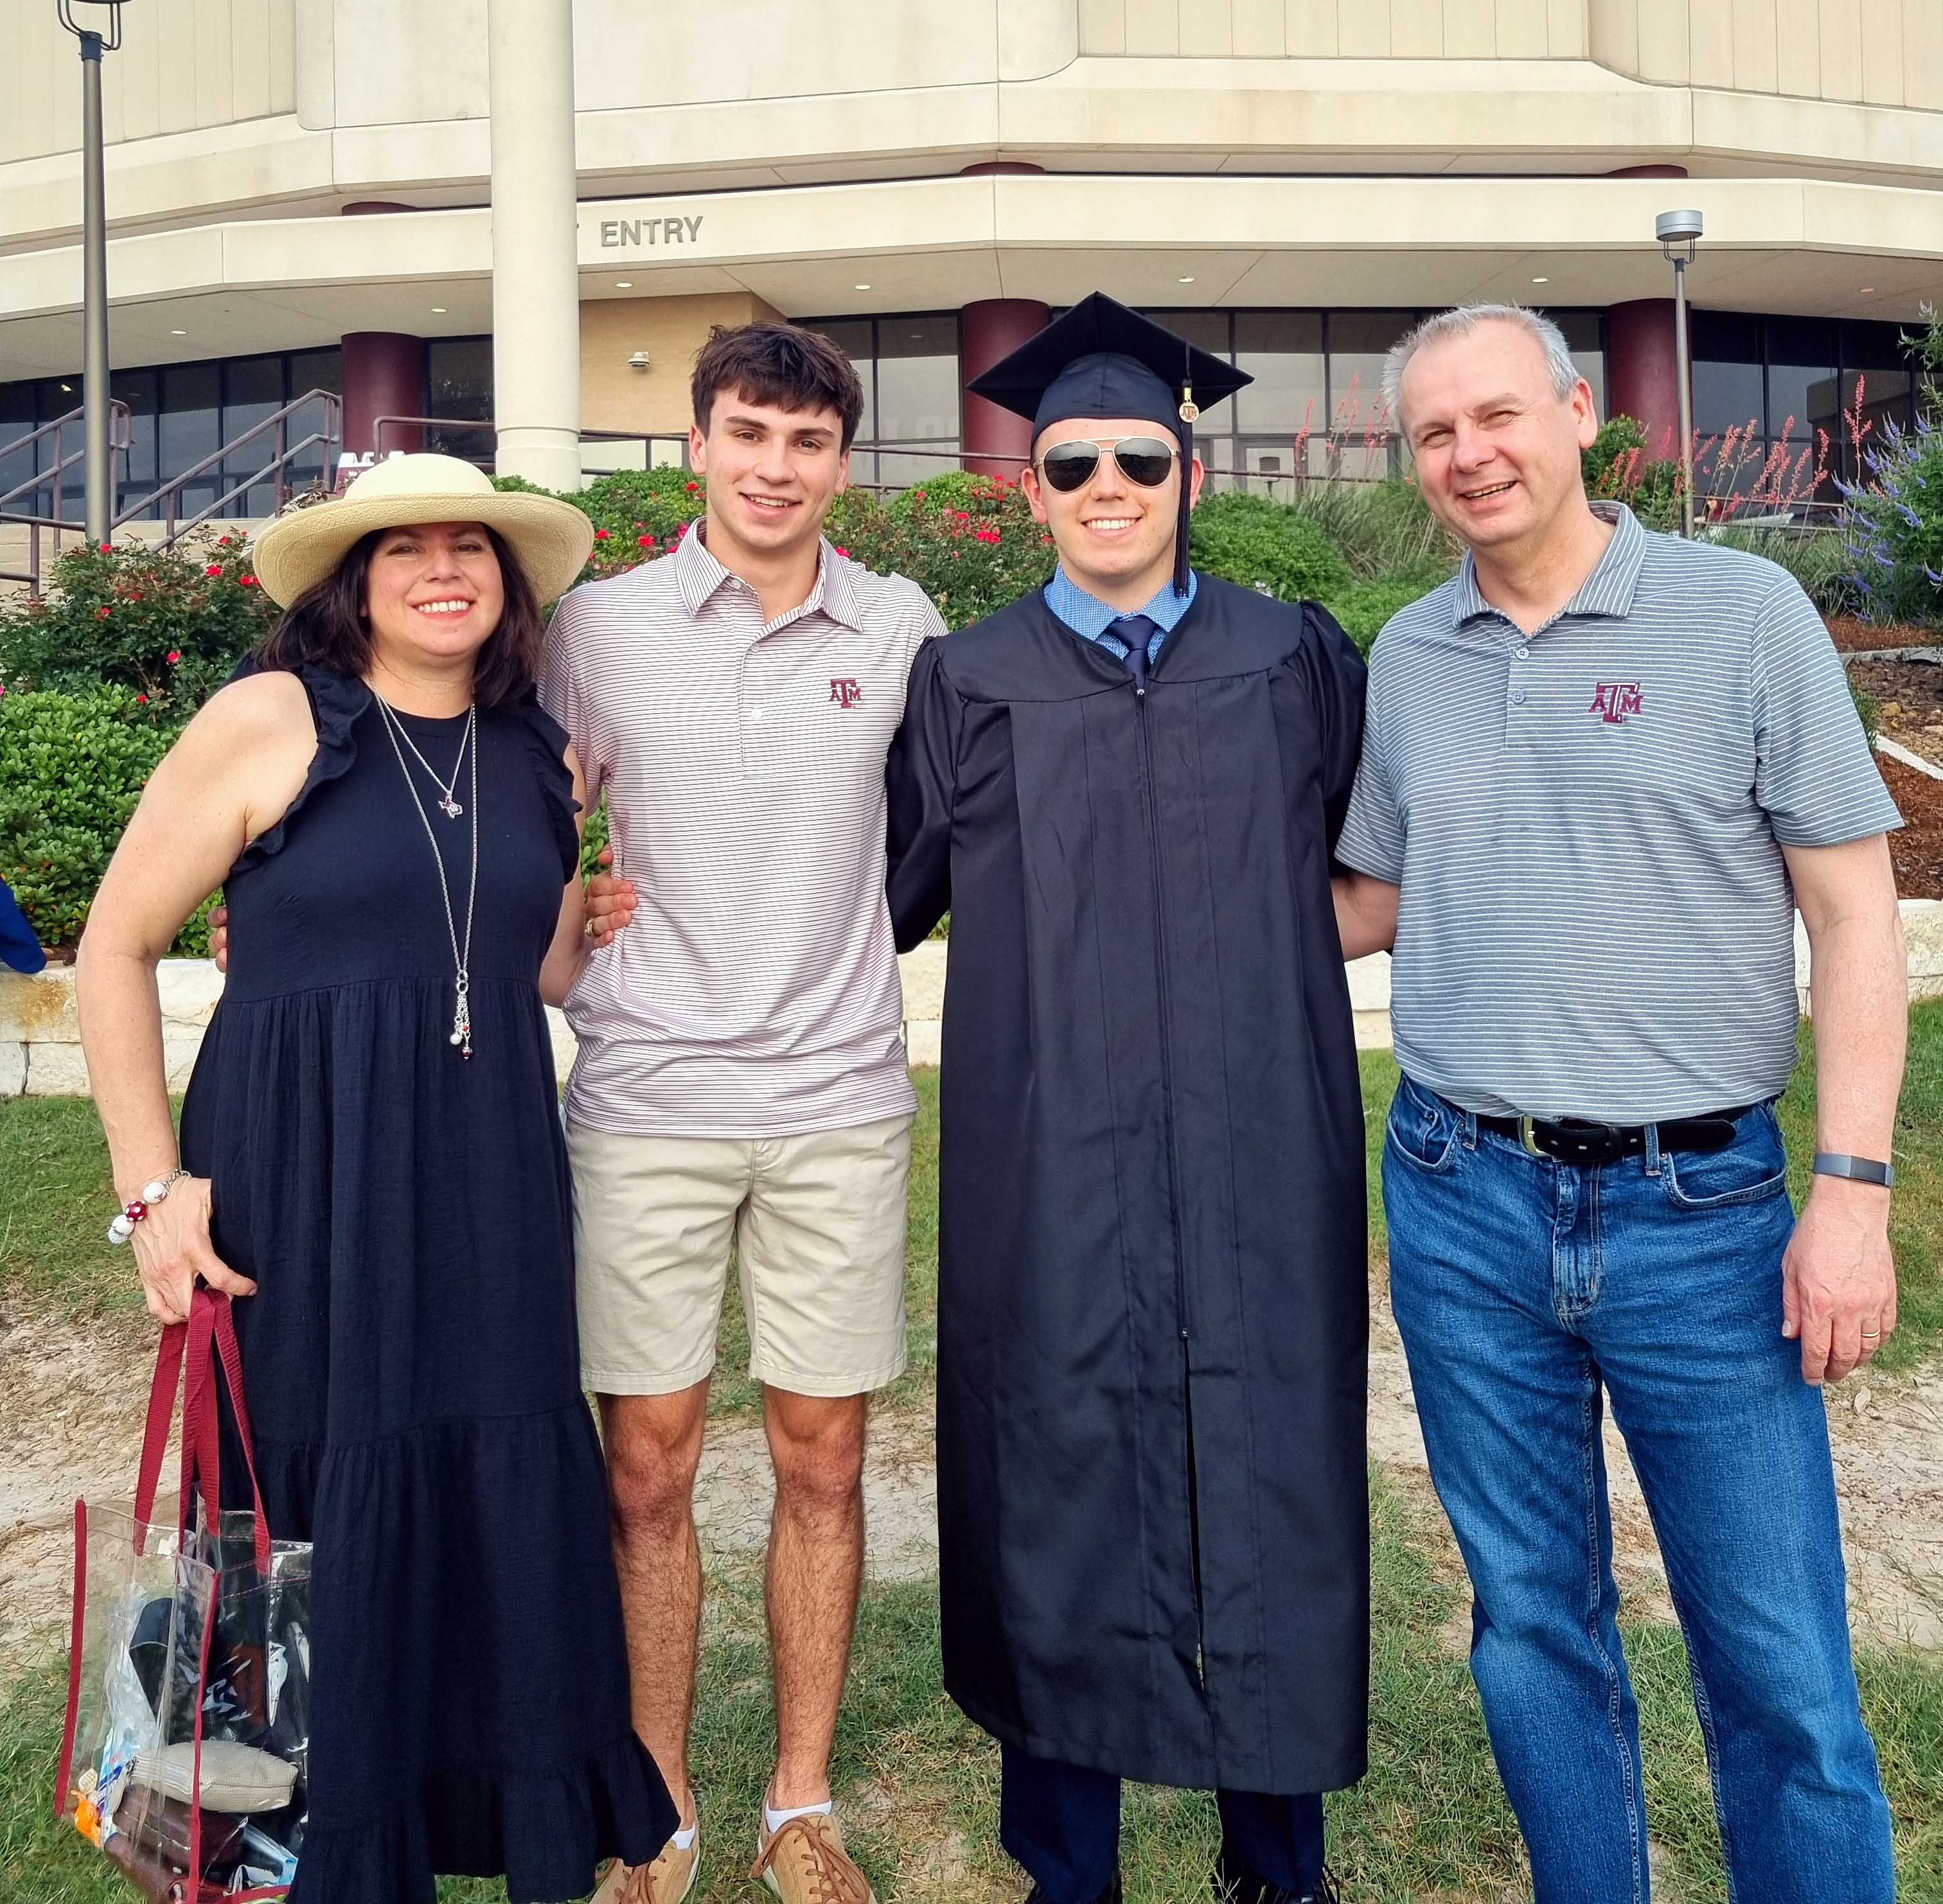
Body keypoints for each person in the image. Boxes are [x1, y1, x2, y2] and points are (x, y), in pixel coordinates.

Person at [1330, 303, 1906, 1904]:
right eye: (1438, 432)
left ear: (1583, 415)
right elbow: (1366, 899)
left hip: (1700, 1217)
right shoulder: (1409, 655)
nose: (1471, 455)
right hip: (1461, 1203)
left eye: (1500, 416)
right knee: (1532, 1625)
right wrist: (1133, 887)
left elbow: (1857, 917)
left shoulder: (1744, 613)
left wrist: (1851, 1193)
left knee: (1777, 1660)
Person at [77, 451, 677, 1904]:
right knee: (298, 1502)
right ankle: (277, 1839)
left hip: (483, 1173)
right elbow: (112, 946)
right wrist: (156, 1191)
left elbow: (498, 969)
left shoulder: (540, 753)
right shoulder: (270, 718)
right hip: (302, 1165)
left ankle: (461, 1808)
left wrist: (576, 937)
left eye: (468, 546)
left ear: (508, 580)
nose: (440, 570)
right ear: (356, 582)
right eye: (402, 549)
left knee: (488, 1475)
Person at [883, 294, 1366, 1904]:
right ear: (1031, 487)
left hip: (1261, 1144)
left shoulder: (1292, 656)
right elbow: (880, 899)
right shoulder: (970, 678)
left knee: (1273, 1460)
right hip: (1050, 1155)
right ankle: (1066, 1864)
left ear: (1188, 475)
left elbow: (1369, 866)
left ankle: (1274, 1860)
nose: (1108, 485)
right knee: (1059, 1466)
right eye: (1072, 460)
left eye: (1138, 460)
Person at [551, 322, 945, 1904]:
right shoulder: (595, 627)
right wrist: (573, 904)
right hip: (645, 1099)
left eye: (806, 442)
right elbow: (500, 796)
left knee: (825, 1462)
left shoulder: (903, 624)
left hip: (842, 1100)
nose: (775, 468)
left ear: (841, 460)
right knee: (643, 1466)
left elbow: (953, 827)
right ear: (697, 447)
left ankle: (798, 1803)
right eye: (747, 434)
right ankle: (654, 1812)